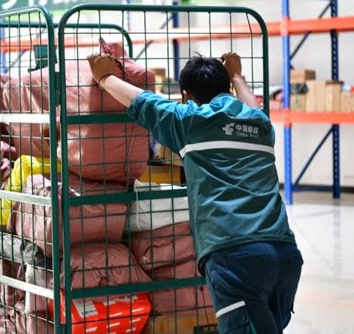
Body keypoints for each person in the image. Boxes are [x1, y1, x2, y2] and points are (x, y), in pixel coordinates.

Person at [87, 52, 303, 334]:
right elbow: (253, 107)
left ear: (186, 96)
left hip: (235, 257)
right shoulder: (259, 125)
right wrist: (237, 76)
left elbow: (143, 102)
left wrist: (105, 77)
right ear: (227, 88)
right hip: (285, 256)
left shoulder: (190, 122)